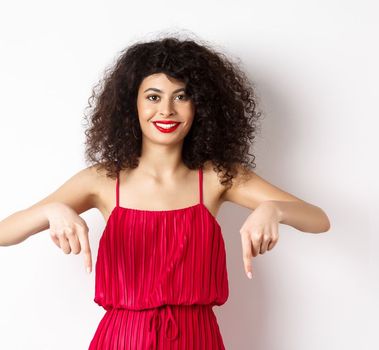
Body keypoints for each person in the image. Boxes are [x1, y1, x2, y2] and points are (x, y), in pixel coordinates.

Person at [0, 34, 331, 349]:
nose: (167, 111)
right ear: (133, 105)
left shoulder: (216, 177)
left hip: (197, 341)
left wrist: (273, 209)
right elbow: (4, 233)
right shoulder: (102, 180)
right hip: (121, 341)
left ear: (200, 105)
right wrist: (50, 211)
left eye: (182, 96)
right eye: (154, 97)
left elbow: (318, 219)